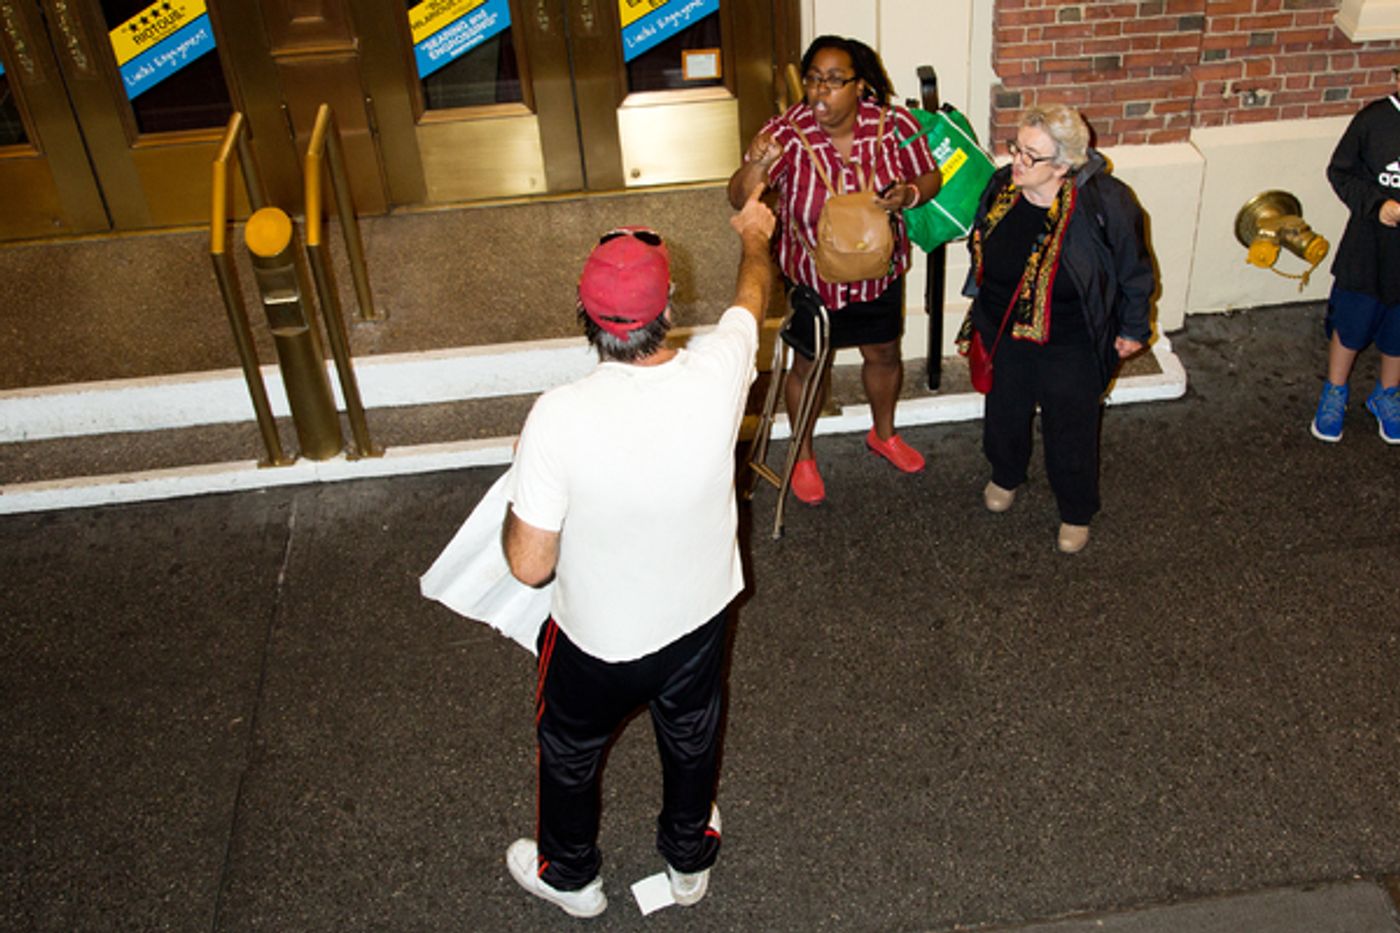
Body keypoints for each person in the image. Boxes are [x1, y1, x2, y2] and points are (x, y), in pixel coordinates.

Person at [499, 187, 775, 918]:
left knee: (569, 750)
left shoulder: (558, 417)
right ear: (668, 306)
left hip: (598, 640)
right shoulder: (720, 369)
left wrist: (521, 481)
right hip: (699, 619)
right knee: (691, 738)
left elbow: (529, 564)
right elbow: (751, 298)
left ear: (585, 313)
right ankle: (687, 861)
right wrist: (754, 234)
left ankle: (572, 878)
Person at [727, 35, 942, 505]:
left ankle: (883, 434)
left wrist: (908, 195)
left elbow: (930, 175)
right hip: (813, 276)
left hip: (879, 270)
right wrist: (759, 164)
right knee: (809, 365)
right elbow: (739, 195)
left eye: (834, 80)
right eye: (813, 79)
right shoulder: (786, 132)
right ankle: (803, 453)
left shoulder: (894, 125)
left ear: (860, 85)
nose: (820, 90)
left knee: (883, 352)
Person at [960, 105, 1154, 554]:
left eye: (1031, 155)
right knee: (1004, 411)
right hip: (1005, 329)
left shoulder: (1107, 203)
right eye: (1016, 148)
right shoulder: (1002, 187)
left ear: (1063, 166)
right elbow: (981, 246)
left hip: (1071, 337)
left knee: (1071, 428)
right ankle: (1006, 473)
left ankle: (1075, 509)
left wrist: (1133, 327)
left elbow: (1134, 269)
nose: (1017, 161)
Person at [1311, 66, 1400, 445]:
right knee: (1351, 324)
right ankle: (1335, 390)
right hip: (1367, 252)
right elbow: (1341, 172)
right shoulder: (1374, 120)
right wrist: (1377, 205)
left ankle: (1387, 394)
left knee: (1398, 333)